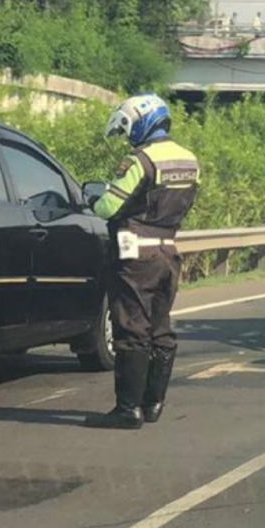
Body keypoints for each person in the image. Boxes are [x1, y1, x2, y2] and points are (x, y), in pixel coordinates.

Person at [85, 95, 200, 429]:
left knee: (131, 328)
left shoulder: (140, 160)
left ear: (140, 122)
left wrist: (94, 197)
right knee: (160, 327)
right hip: (168, 252)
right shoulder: (190, 160)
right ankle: (153, 405)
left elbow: (107, 206)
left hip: (136, 255)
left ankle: (128, 410)